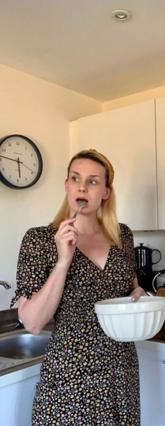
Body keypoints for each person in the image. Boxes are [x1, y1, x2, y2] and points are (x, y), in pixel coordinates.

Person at [11, 149, 145, 425]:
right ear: (67, 186)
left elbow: (131, 287)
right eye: (75, 178)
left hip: (121, 371)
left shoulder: (122, 236)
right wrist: (63, 261)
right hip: (70, 377)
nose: (82, 186)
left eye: (93, 181)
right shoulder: (39, 240)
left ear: (106, 192)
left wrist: (138, 295)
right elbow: (33, 323)